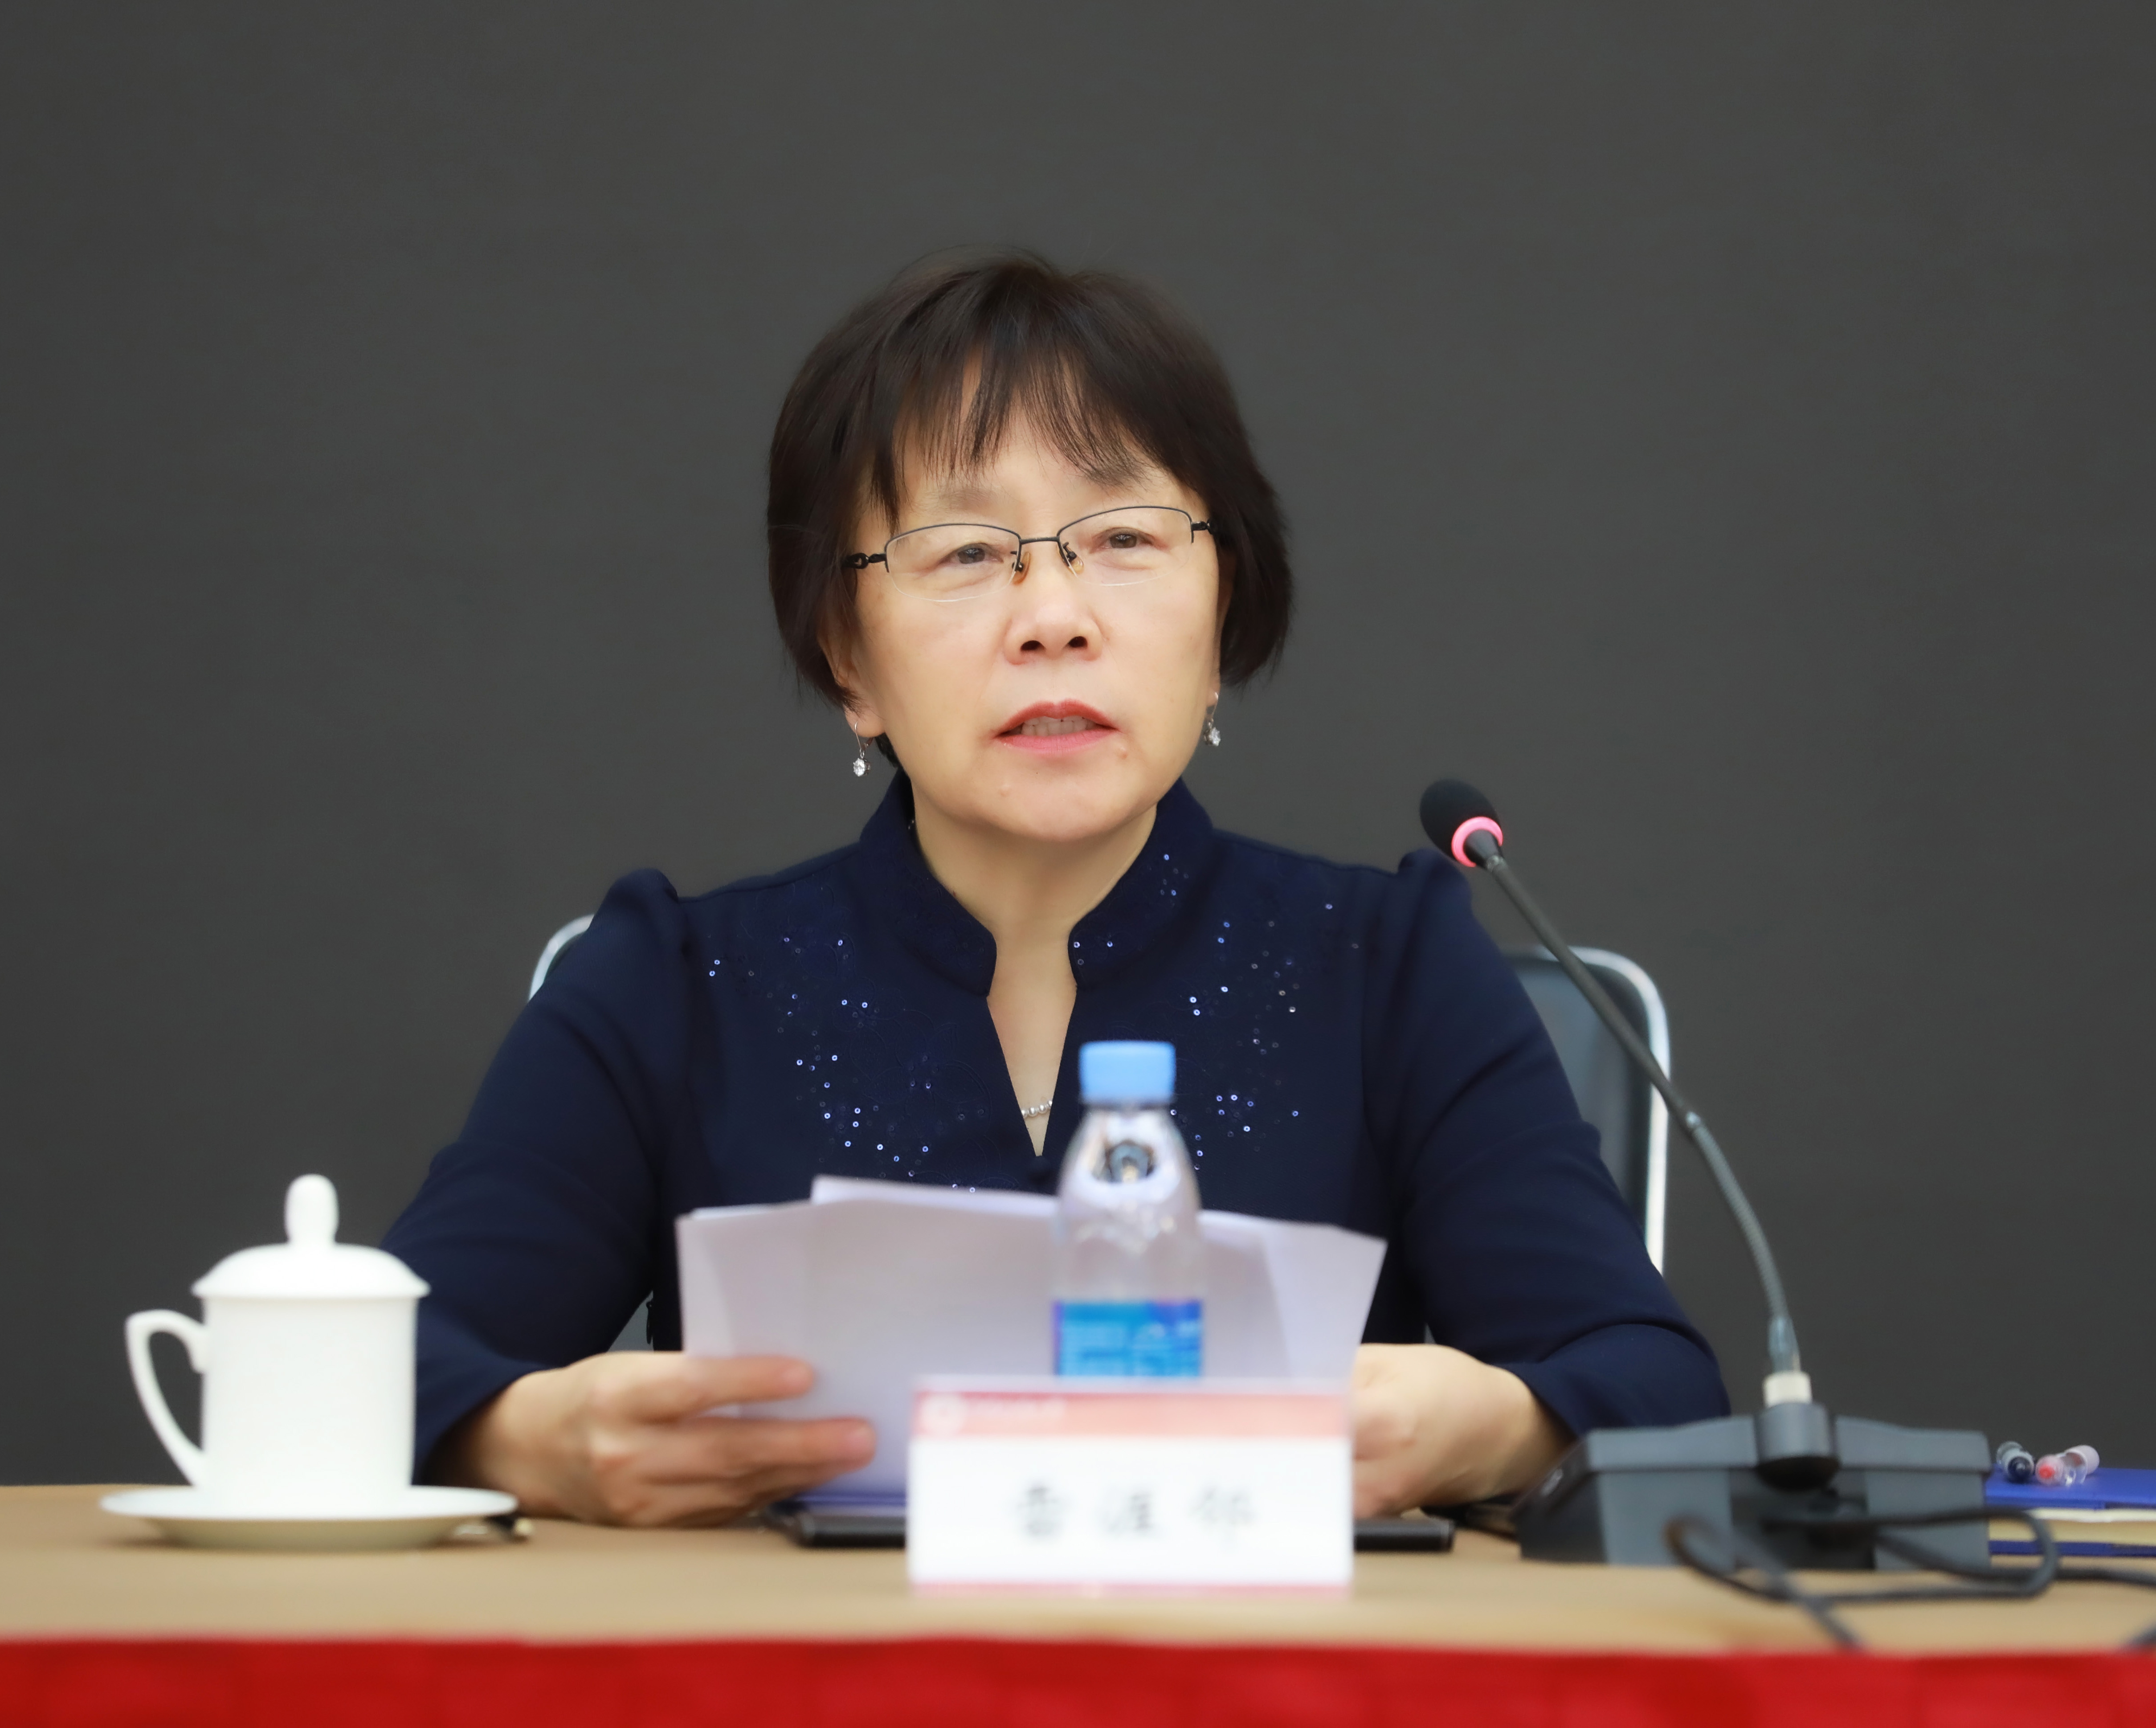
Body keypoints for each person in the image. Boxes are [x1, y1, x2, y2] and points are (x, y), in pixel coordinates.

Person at [381, 251, 1725, 1528]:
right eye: (966, 553)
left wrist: (1487, 1427)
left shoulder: (1389, 967)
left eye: (1124, 537)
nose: (1054, 616)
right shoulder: (676, 985)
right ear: (848, 659)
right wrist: (532, 1443)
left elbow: (1660, 1392)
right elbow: (375, 1373)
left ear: (1220, 620)